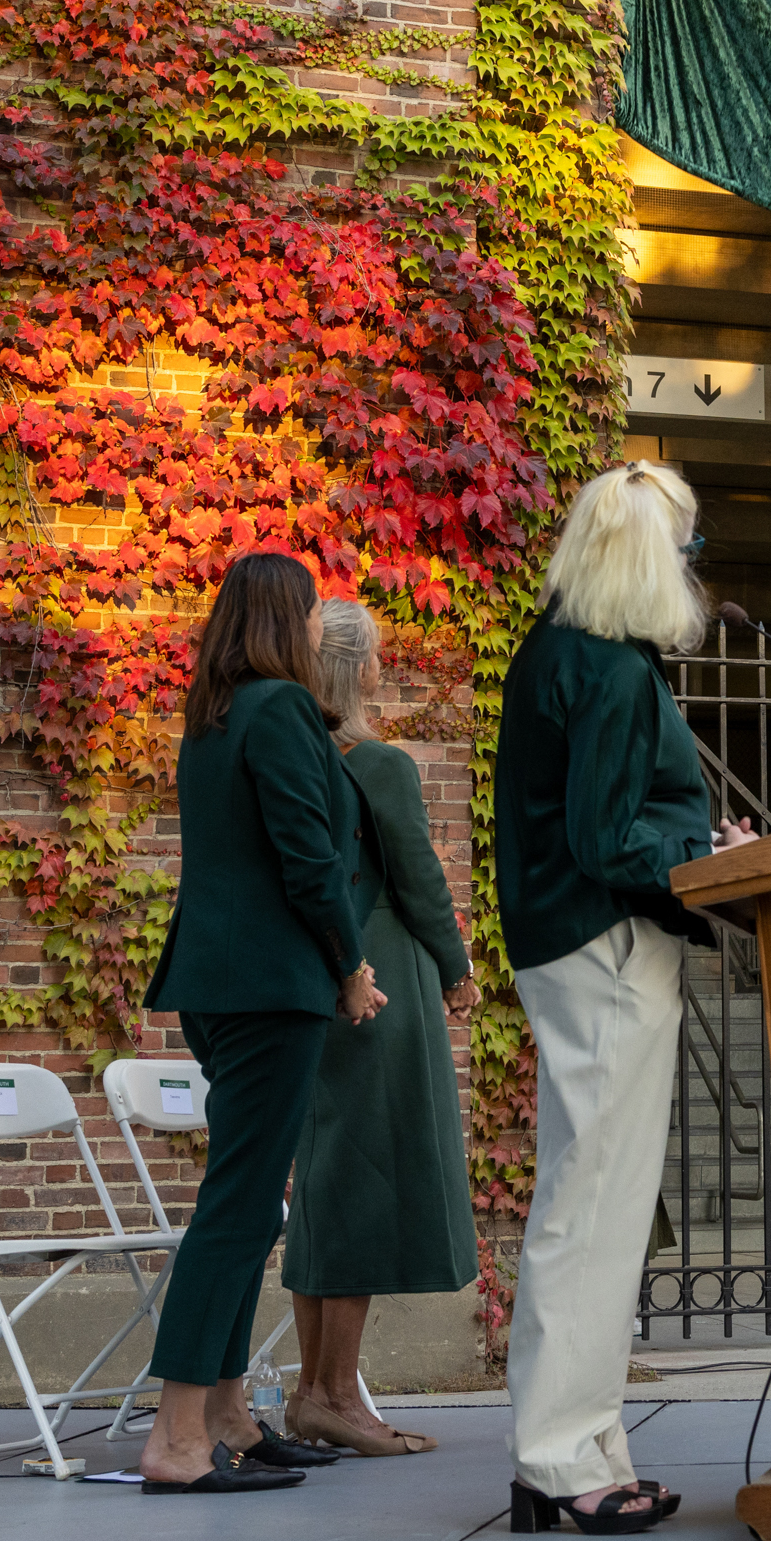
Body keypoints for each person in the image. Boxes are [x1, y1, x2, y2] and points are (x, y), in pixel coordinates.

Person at [497, 460, 751, 1537]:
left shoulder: (566, 652)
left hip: (578, 944)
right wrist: (708, 847)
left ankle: (584, 1442)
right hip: (603, 950)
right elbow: (610, 838)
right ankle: (560, 1457)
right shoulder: (603, 668)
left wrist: (695, 845)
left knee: (591, 1200)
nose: (696, 571)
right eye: (688, 549)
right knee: (592, 1206)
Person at [136, 552, 385, 1492]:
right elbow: (308, 858)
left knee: (247, 1200)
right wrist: (350, 967)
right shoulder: (279, 709)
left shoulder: (216, 713)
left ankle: (230, 1414)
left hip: (220, 981)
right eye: (315, 608)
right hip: (268, 984)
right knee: (237, 1207)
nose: (323, 625)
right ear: (288, 616)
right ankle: (178, 1437)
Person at [281, 600, 481, 1457]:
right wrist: (457, 964)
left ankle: (315, 1389)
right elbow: (420, 876)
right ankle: (335, 1397)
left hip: (308, 978)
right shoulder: (382, 764)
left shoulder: (287, 757)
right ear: (363, 669)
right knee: (360, 1178)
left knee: (324, 1179)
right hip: (381, 978)